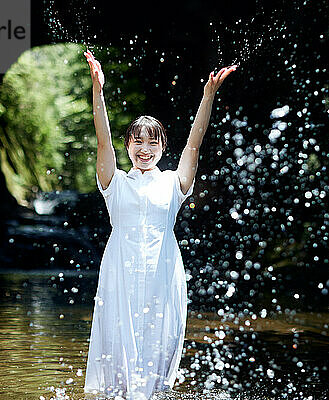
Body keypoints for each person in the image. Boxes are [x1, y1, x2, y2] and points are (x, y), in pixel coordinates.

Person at [82, 49, 236, 399]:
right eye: (138, 141)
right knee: (117, 357)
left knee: (157, 352)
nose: (145, 148)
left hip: (164, 272)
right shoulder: (115, 183)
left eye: (153, 141)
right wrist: (98, 91)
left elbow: (194, 146)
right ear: (128, 146)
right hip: (120, 271)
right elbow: (102, 139)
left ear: (164, 146)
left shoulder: (173, 183)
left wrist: (207, 97)